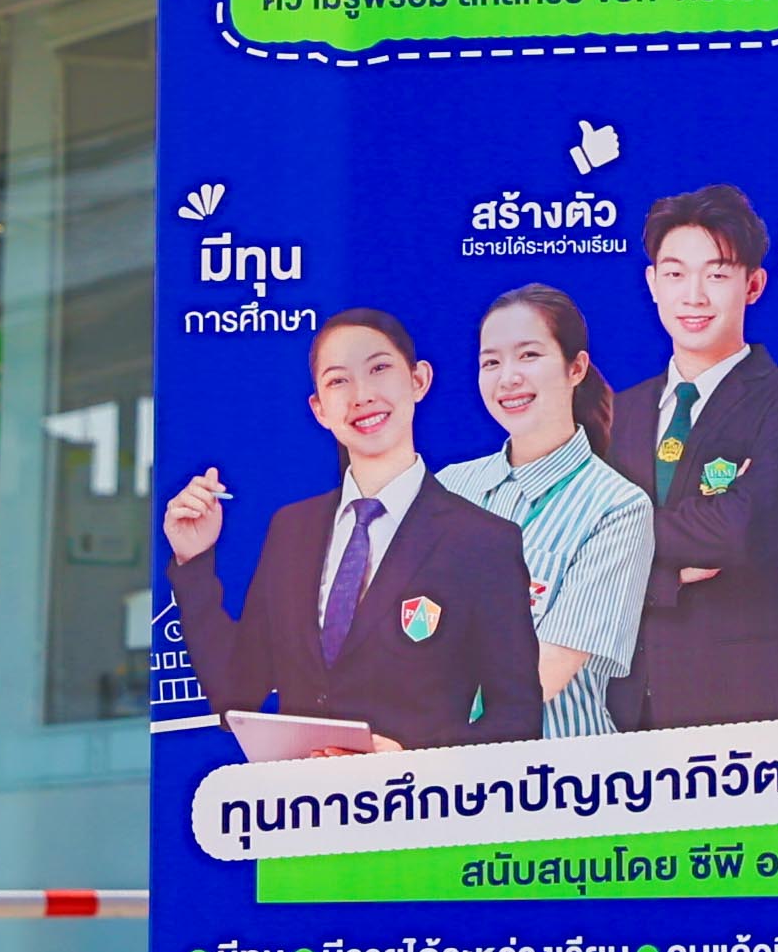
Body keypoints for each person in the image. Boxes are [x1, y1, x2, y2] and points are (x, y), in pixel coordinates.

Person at [164, 304, 550, 748]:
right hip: (303, 791)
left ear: (418, 380)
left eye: (379, 368)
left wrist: (410, 757)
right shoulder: (292, 531)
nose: (361, 395)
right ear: (319, 409)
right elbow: (236, 694)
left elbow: (516, 720)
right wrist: (193, 562)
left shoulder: (482, 541)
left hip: (416, 792)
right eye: (337, 381)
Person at [609, 185, 778, 730]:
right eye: (675, 274)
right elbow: (571, 557)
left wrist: (612, 533)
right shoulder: (613, 414)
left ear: (753, 285)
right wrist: (668, 577)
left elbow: (742, 531)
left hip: (741, 699)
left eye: (716, 274)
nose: (693, 296)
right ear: (653, 284)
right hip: (615, 703)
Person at [446, 283, 657, 742]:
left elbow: (544, 673)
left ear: (575, 368)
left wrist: (417, 728)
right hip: (441, 770)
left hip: (561, 770)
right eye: (491, 362)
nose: (507, 378)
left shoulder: (617, 507)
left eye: (528, 356)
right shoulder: (448, 487)